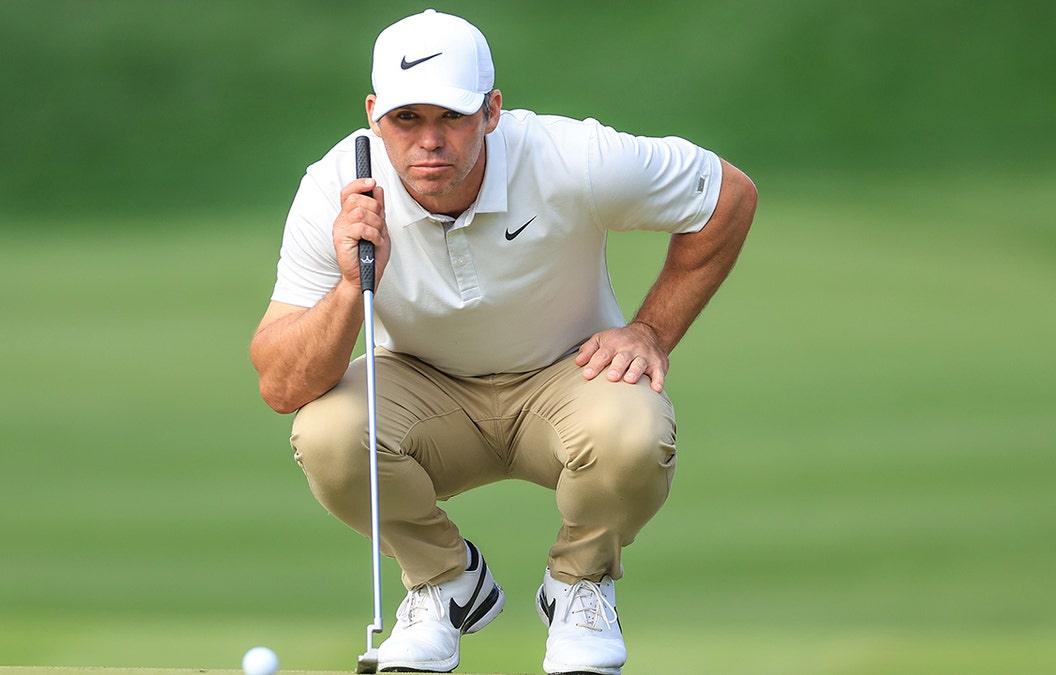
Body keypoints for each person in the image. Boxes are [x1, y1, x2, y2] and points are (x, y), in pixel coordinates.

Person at [250, 9, 756, 674]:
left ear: (491, 111)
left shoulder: (569, 157)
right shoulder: (336, 186)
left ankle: (581, 586)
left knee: (636, 426)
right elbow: (281, 384)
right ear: (375, 114)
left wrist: (651, 329)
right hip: (424, 385)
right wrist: (350, 287)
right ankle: (442, 585)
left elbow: (727, 197)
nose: (429, 141)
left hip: (568, 376)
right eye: (407, 119)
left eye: (451, 117)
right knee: (326, 432)